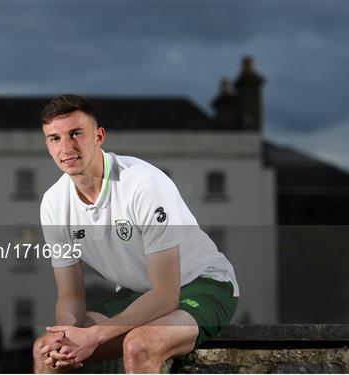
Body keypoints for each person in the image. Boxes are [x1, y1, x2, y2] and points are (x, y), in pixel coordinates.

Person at [34, 95, 239, 373]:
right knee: (47, 351)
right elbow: (71, 296)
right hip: (138, 293)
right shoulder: (53, 203)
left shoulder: (143, 185)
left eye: (75, 134)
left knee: (138, 346)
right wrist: (66, 334)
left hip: (201, 284)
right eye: (55, 138)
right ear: (47, 144)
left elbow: (166, 296)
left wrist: (93, 336)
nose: (66, 147)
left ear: (99, 136)